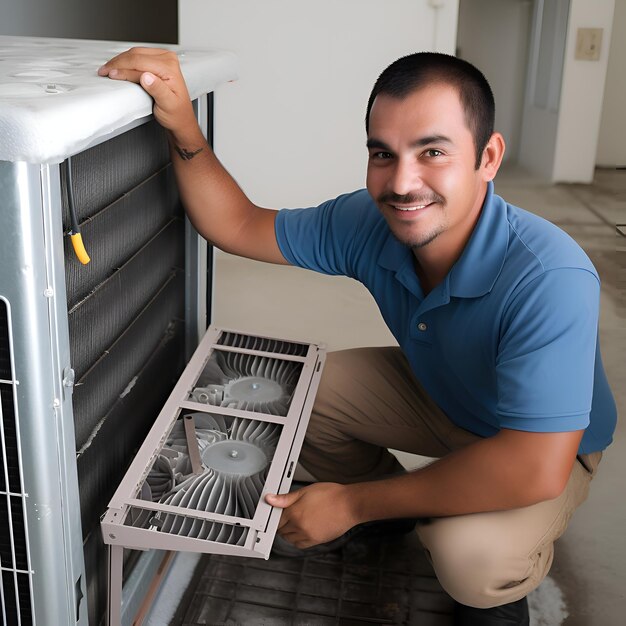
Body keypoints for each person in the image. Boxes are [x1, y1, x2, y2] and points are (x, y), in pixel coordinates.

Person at [99, 49, 616, 625]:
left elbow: (532, 467)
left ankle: (496, 589)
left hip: (544, 445)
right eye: (382, 154)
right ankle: (396, 514)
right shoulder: (370, 223)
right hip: (444, 394)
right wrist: (185, 128)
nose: (402, 182)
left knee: (469, 556)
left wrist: (348, 503)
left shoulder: (549, 277)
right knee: (296, 396)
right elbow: (238, 224)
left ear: (487, 156)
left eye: (433, 152)